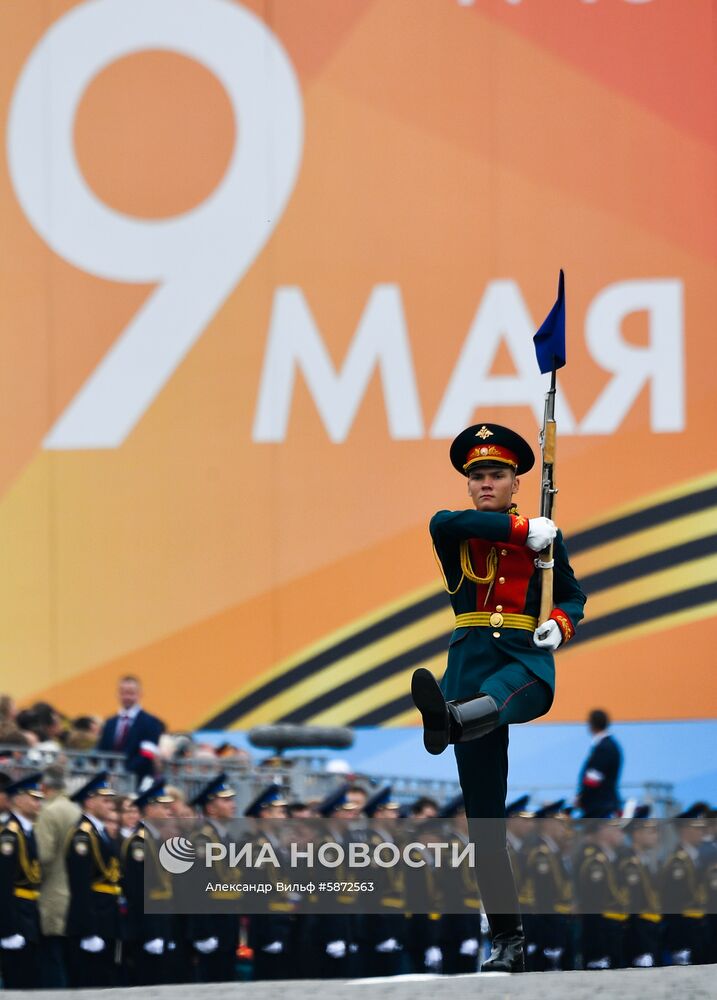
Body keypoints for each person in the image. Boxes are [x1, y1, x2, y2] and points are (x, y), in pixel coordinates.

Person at [411, 422, 586, 973]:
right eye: (478, 476)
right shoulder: (456, 528)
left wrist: (559, 624)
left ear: (516, 482)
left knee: (502, 694)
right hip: (467, 664)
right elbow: (450, 522)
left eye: (497, 475)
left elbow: (575, 598)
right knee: (484, 824)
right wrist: (521, 531)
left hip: (522, 661)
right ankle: (507, 939)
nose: (486, 483)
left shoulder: (548, 538)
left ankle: (450, 723)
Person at [64, 772, 122, 988]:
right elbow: (80, 886)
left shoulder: (100, 832)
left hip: (106, 919)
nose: (110, 804)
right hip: (93, 921)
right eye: (105, 800)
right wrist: (89, 931)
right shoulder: (83, 835)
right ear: (89, 801)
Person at [121, 779, 176, 985]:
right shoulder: (138, 843)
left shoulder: (157, 840)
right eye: (164, 807)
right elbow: (138, 892)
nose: (169, 812)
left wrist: (165, 932)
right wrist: (151, 932)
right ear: (149, 809)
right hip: (145, 929)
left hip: (161, 926)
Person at [34, 765, 82, 988]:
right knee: (71, 962)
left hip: (52, 893)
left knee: (52, 962)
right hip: (75, 894)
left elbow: (43, 855)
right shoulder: (76, 810)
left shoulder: (49, 811)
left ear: (44, 787)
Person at [0, 773, 44, 989]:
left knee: (29, 981)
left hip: (29, 915)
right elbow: (3, 885)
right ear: (17, 799)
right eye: (33, 798)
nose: (38, 803)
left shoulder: (28, 831)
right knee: (17, 982)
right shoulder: (10, 835)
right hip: (16, 916)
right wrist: (7, 930)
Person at [96, 676, 165, 783]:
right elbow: (102, 749)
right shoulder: (110, 722)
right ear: (117, 694)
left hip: (138, 780)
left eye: (131, 693)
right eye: (123, 693)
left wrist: (123, 772)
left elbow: (147, 753)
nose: (127, 697)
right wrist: (107, 772)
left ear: (140, 694)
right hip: (109, 780)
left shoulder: (151, 722)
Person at [576, 709, 622, 818]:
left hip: (600, 805)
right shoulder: (610, 745)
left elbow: (593, 777)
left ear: (591, 724)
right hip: (603, 803)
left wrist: (582, 797)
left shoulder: (604, 747)